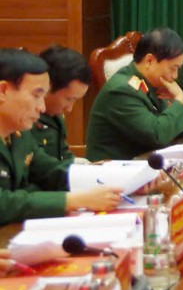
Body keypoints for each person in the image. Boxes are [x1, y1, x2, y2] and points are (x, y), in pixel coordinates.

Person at [0, 49, 122, 225]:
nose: (42, 108)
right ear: (3, 91)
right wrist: (73, 200)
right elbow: (4, 203)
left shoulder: (19, 134)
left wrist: (119, 182)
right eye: (36, 95)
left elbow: (51, 171)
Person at [86, 28, 183, 161]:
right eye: (173, 68)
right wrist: (179, 100)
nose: (175, 76)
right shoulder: (121, 91)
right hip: (116, 172)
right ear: (149, 61)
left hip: (146, 162)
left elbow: (178, 121)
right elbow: (158, 134)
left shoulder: (150, 81)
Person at [31, 45, 92, 162]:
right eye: (69, 99)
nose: (69, 109)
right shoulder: (25, 117)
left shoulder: (56, 117)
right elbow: (37, 165)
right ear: (47, 86)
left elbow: (63, 155)